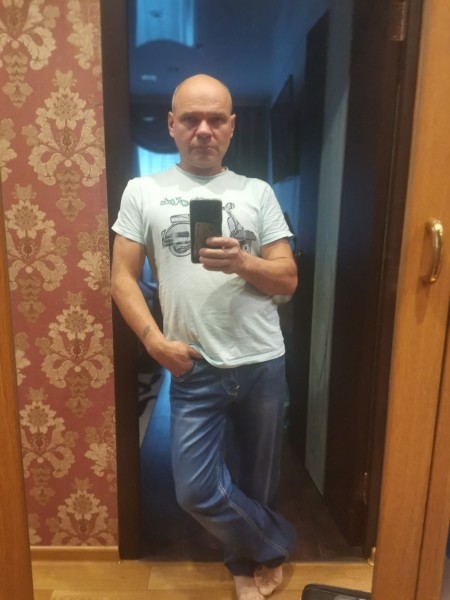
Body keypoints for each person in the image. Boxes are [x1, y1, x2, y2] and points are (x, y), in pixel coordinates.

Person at [111, 74, 298, 600]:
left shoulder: (257, 192)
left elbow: (287, 279)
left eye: (216, 119)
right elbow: (121, 277)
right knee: (195, 490)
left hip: (262, 361)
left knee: (258, 479)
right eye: (191, 119)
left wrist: (243, 262)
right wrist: (153, 342)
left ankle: (243, 562)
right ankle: (277, 543)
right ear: (171, 125)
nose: (203, 130)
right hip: (192, 364)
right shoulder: (143, 191)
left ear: (232, 127)